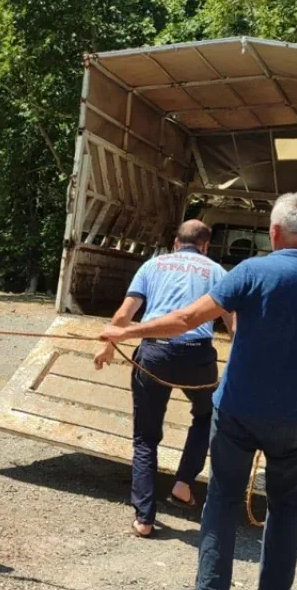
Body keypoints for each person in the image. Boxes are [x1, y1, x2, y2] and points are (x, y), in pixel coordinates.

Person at [100, 194, 297, 590]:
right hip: (295, 416)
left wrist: (124, 331)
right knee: (287, 506)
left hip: (238, 409)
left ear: (273, 232)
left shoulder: (249, 272)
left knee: (223, 497)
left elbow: (185, 320)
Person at [94, 220, 232, 538]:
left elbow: (124, 314)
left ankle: (144, 518)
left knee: (145, 437)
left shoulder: (152, 266)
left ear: (175, 243)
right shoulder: (218, 272)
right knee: (207, 414)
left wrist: (108, 347)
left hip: (154, 355)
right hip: (198, 357)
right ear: (205, 246)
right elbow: (233, 324)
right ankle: (183, 482)